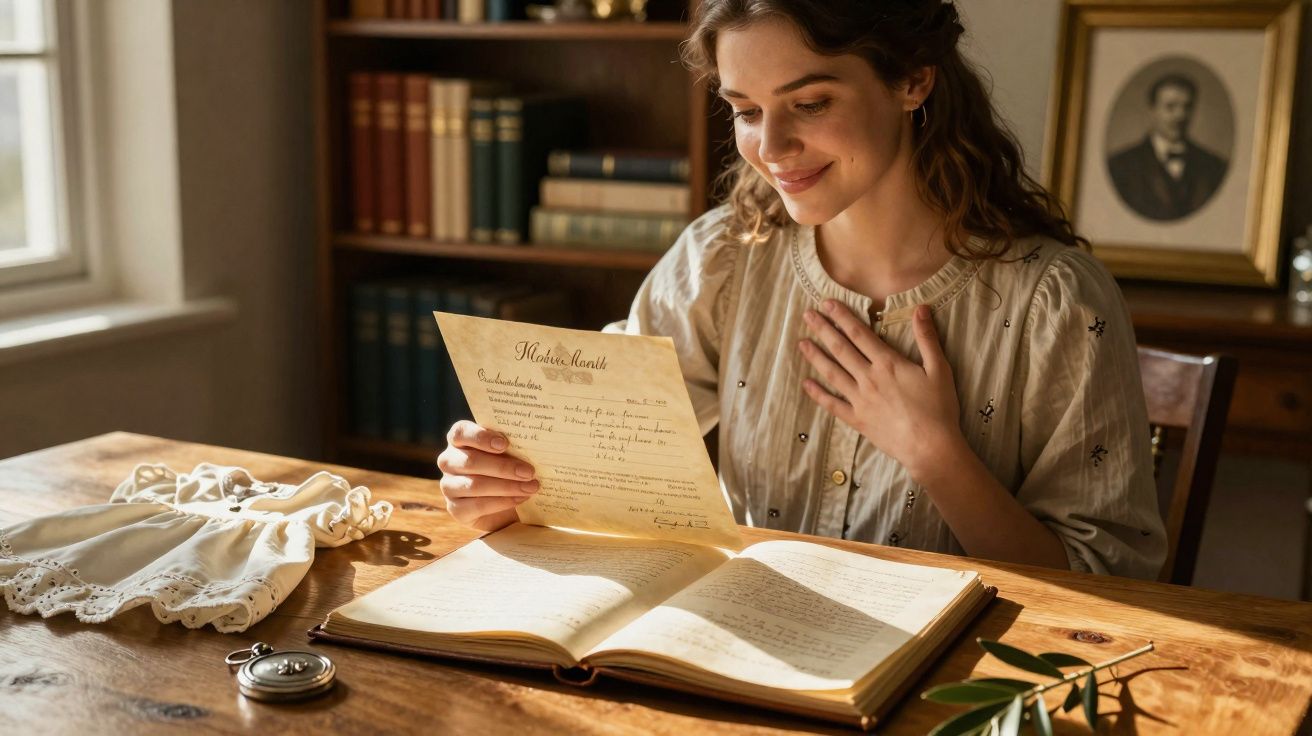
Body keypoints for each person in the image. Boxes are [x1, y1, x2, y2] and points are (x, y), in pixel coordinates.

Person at [438, 0, 1166, 579]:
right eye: (746, 111)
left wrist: (935, 454)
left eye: (810, 103)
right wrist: (504, 478)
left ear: (913, 78)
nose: (772, 148)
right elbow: (589, 456)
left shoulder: (1056, 304)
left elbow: (1111, 587)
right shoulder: (724, 259)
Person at [1107, 73, 1228, 221]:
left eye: (1187, 107)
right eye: (1170, 107)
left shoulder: (1214, 166)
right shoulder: (1121, 165)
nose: (1180, 115)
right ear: (1152, 110)